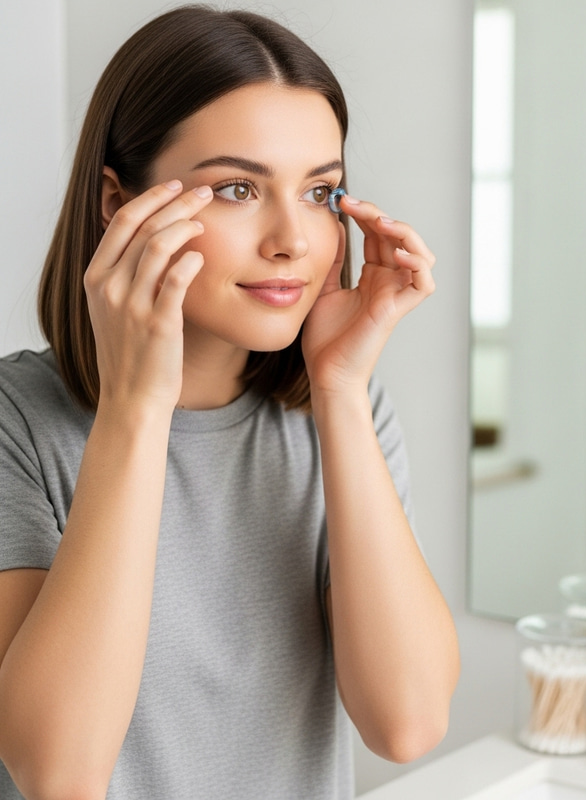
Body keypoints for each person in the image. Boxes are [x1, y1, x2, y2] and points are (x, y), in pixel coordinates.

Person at [0, 6, 460, 799]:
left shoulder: (342, 411)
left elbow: (406, 723)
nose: (293, 239)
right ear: (116, 201)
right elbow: (58, 773)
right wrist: (136, 411)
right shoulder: (18, 421)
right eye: (238, 188)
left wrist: (341, 391)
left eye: (320, 191)